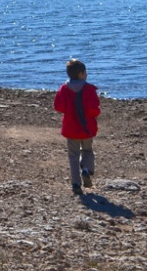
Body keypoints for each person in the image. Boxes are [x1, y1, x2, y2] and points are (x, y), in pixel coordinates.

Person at [53, 58, 100, 195]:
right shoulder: (89, 89)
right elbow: (94, 110)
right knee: (88, 151)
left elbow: (58, 107)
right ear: (81, 74)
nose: (86, 74)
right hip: (87, 128)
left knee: (73, 156)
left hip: (71, 128)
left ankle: (75, 183)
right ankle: (86, 170)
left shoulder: (64, 89)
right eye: (85, 72)